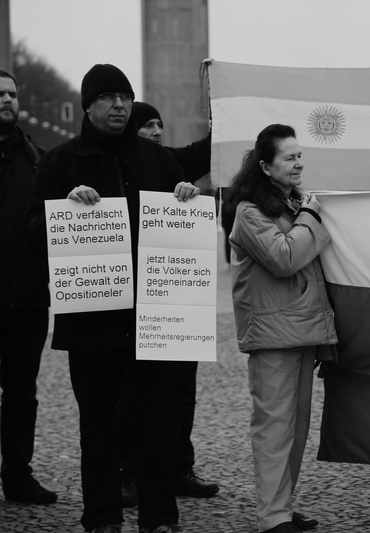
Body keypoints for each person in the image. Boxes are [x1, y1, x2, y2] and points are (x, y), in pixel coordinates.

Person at [26, 64, 200, 533]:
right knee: (98, 425)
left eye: (125, 96)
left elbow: (187, 226)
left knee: (160, 422)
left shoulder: (161, 161)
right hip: (92, 319)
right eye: (107, 97)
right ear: (87, 106)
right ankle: (102, 517)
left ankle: (159, 517)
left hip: (155, 319)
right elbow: (32, 232)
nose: (120, 104)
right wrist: (63, 211)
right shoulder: (60, 163)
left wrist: (187, 199)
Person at [227, 124, 336, 533]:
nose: (299, 163)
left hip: (301, 329)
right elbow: (285, 258)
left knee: (296, 427)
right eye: (289, 157)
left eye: (299, 155)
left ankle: (283, 507)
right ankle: (273, 518)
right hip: (274, 334)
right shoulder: (250, 212)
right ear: (265, 166)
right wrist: (310, 216)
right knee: (274, 428)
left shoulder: (291, 204)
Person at [114, 102, 217, 508]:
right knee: (131, 395)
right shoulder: (109, 166)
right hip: (129, 299)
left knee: (181, 388)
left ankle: (179, 468)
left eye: (160, 124)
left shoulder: (172, 162)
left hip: (175, 296)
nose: (157, 131)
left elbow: (207, 150)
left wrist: (224, 110)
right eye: (148, 125)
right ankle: (129, 473)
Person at [0, 68, 56, 505]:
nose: (7, 100)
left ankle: (17, 476)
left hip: (27, 299)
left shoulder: (40, 160)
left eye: (12, 94)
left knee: (22, 393)